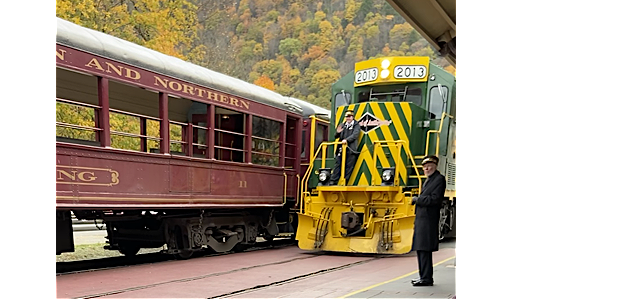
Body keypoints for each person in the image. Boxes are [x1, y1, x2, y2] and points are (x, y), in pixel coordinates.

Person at [410, 155, 446, 286]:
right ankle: (423, 276)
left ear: (435, 166)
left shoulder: (439, 179)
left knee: (424, 249)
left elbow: (435, 199)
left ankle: (426, 278)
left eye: (429, 165)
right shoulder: (429, 180)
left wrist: (417, 199)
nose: (426, 168)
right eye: (425, 166)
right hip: (423, 220)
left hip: (428, 221)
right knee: (421, 249)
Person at [328, 110, 360, 185]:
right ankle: (333, 181)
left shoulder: (356, 125)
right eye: (346, 117)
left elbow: (355, 135)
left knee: (349, 166)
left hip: (350, 149)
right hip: (341, 148)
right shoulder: (342, 125)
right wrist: (338, 132)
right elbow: (336, 136)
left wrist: (347, 140)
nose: (347, 118)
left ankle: (345, 181)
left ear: (352, 117)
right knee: (338, 163)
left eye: (349, 117)